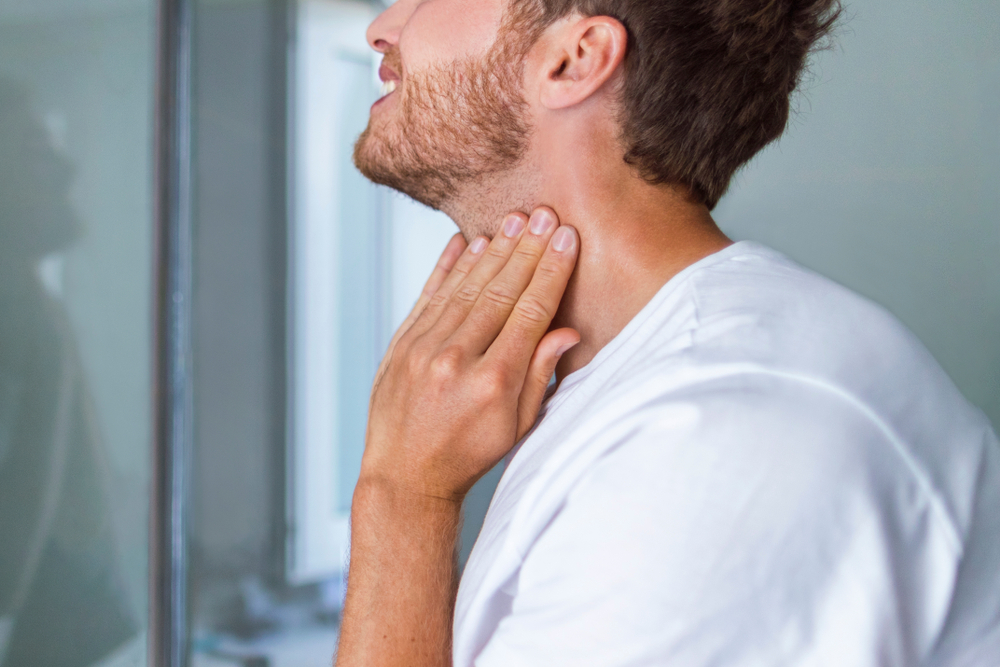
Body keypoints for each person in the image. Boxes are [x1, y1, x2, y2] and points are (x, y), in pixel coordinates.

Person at [339, 0, 1000, 665]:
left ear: (575, 61)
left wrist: (403, 497)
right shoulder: (646, 390)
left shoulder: (729, 432)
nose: (382, 28)